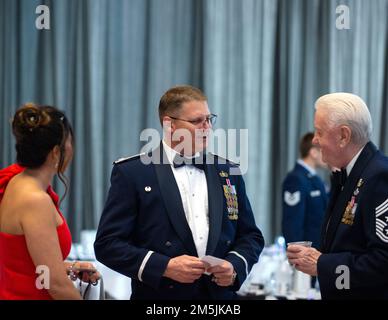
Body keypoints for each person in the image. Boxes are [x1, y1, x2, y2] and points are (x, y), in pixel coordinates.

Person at [94, 85, 264, 300]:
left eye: (209, 119)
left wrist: (234, 266)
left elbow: (250, 235)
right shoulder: (134, 173)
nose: (207, 127)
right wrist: (164, 266)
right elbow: (108, 245)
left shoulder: (228, 171)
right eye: (197, 121)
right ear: (170, 125)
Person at [287, 93, 388, 299]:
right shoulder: (350, 174)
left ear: (343, 136)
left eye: (319, 132)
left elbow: (383, 263)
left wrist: (323, 265)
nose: (314, 140)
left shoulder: (379, 177)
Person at [0, 103, 99, 300]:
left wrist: (68, 266)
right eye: (70, 142)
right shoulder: (35, 200)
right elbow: (56, 286)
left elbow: (26, 262)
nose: (72, 149)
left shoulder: (15, 181)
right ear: (56, 152)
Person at [282, 132, 328, 249]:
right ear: (313, 152)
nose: (327, 154)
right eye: (323, 150)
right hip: (305, 254)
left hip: (318, 250)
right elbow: (292, 223)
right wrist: (296, 256)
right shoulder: (296, 179)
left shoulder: (314, 178)